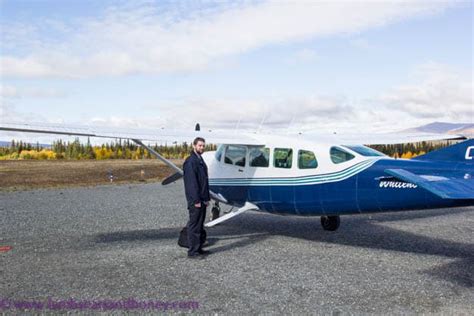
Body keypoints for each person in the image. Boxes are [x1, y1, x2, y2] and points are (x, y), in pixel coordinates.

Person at [183, 137, 211, 259]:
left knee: (200, 225)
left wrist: (206, 198)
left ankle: (198, 248)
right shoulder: (190, 161)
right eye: (200, 145)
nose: (202, 148)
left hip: (202, 199)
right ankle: (192, 252)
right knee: (194, 226)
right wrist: (196, 201)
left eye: (203, 145)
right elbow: (191, 184)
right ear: (194, 146)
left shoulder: (200, 160)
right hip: (196, 201)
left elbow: (204, 181)